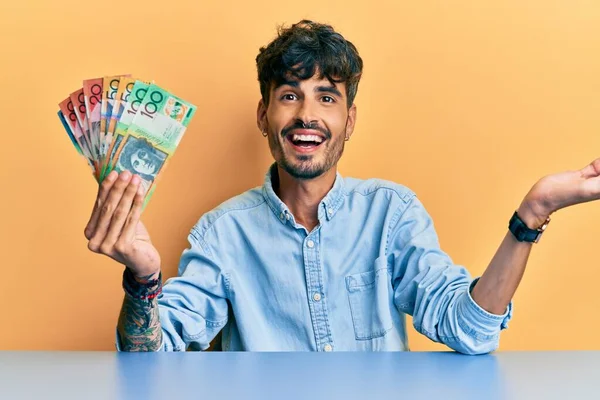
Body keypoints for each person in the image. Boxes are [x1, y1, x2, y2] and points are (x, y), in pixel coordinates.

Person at [84, 20, 600, 353]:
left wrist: (532, 214)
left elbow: (470, 330)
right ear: (264, 115)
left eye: (326, 98)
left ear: (349, 120)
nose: (306, 115)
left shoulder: (391, 214)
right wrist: (144, 277)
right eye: (289, 95)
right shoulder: (222, 235)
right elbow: (148, 359)